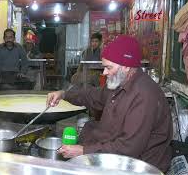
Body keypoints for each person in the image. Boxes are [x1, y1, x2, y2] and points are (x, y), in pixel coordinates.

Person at [47, 35, 172, 172]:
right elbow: (93, 96)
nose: (104, 72)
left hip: (138, 167)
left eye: (108, 67)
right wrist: (64, 94)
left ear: (125, 66)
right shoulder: (120, 82)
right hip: (116, 153)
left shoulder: (144, 96)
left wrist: (84, 151)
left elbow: (128, 147)